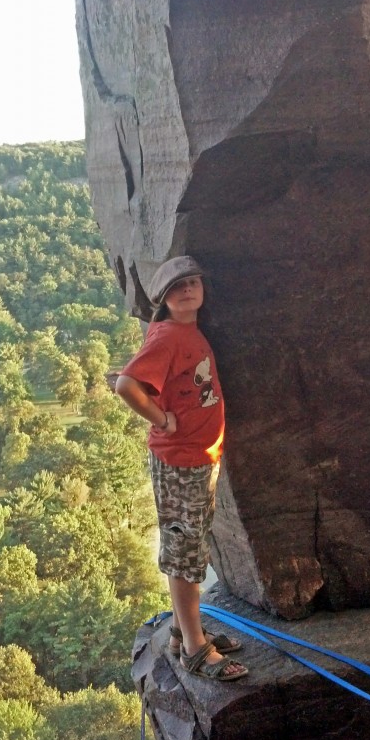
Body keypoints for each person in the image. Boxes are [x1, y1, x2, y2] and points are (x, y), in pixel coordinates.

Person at [115, 255, 247, 681]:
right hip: (181, 460)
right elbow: (126, 384)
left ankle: (181, 631)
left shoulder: (186, 332)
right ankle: (193, 648)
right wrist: (162, 418)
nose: (187, 290)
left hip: (196, 457)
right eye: (176, 287)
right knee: (185, 554)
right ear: (164, 299)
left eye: (192, 282)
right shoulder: (170, 337)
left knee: (188, 547)